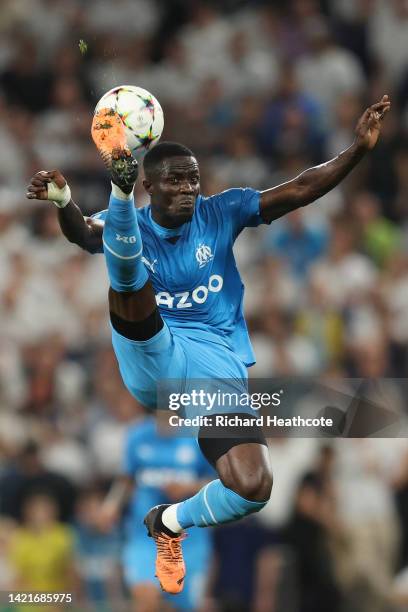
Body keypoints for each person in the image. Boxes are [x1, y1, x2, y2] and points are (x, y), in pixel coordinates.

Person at [26, 94, 390, 596]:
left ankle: (169, 522)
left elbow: (301, 189)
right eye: (176, 179)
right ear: (148, 185)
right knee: (128, 280)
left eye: (193, 178)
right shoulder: (125, 228)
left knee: (254, 487)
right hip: (153, 354)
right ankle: (117, 187)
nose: (188, 188)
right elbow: (81, 234)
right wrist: (65, 202)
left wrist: (356, 150)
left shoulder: (223, 212)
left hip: (213, 367)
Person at [97, 412, 214, 611]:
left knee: (183, 606)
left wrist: (188, 487)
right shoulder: (137, 434)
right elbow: (126, 477)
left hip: (189, 538)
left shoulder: (198, 437)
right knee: (145, 598)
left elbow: (218, 483)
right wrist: (111, 505)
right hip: (146, 536)